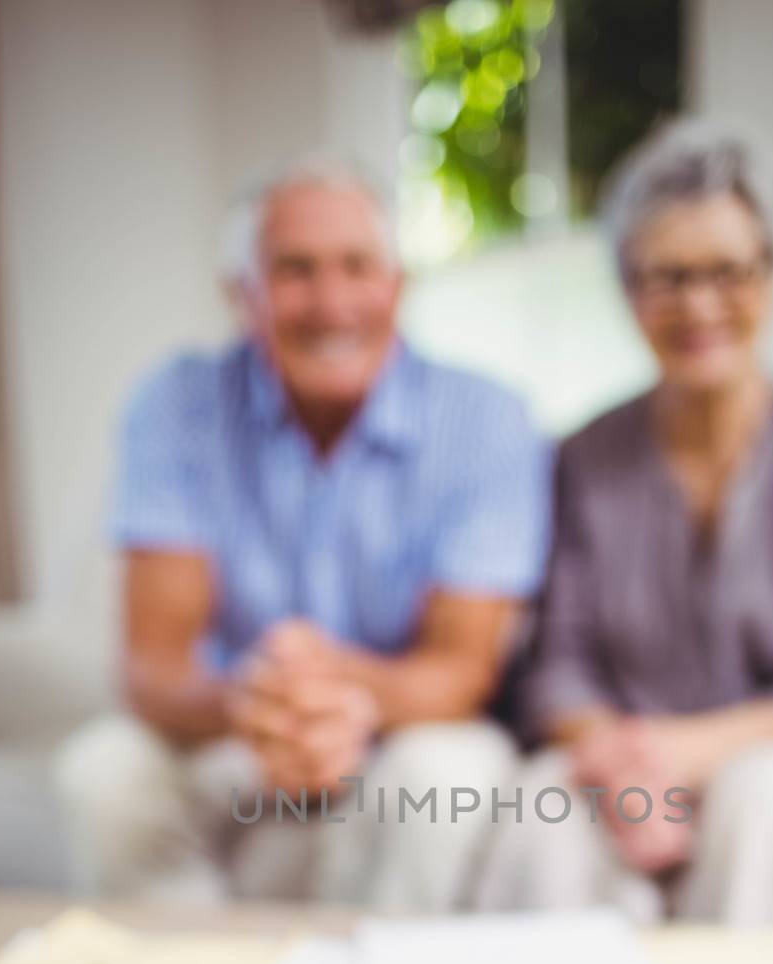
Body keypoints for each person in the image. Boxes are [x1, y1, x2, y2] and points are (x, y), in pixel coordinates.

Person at [56, 158, 549, 908]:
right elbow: (152, 664)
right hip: (233, 726)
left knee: (450, 773)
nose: (331, 302)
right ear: (242, 295)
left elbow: (460, 669)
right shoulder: (174, 403)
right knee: (101, 770)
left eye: (357, 267)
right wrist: (260, 704)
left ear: (397, 285)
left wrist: (340, 693)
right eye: (294, 270)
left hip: (401, 733)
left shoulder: (486, 418)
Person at [483, 120, 773, 927]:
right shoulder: (578, 457)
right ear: (627, 289)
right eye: (664, 277)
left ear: (772, 274)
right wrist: (617, 760)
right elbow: (556, 663)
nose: (698, 303)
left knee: (764, 795)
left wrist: (679, 756)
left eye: (726, 271)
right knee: (546, 804)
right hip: (618, 750)